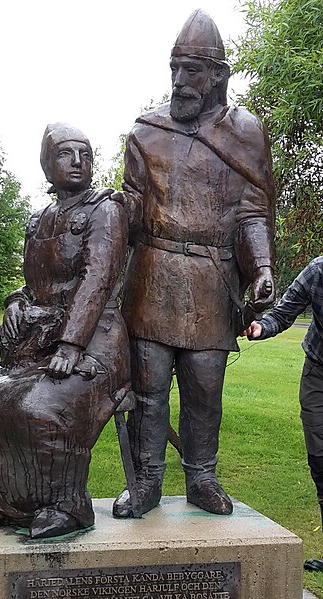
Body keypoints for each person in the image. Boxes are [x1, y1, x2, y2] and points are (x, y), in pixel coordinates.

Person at [112, 9, 276, 519]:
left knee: (205, 388)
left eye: (193, 69)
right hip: (153, 276)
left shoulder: (246, 134)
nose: (181, 80)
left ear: (219, 75)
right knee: (149, 390)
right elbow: (130, 211)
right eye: (175, 68)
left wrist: (263, 268)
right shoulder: (145, 132)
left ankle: (202, 477)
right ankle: (146, 484)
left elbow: (252, 213)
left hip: (210, 281)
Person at [0, 123, 131, 539]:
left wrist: (72, 344)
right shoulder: (40, 218)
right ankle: (1, 500)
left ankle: (67, 507)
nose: (78, 162)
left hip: (96, 342)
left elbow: (97, 281)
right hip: (39, 342)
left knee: (39, 408)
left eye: (85, 154)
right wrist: (15, 303)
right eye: (66, 154)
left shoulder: (106, 210)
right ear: (46, 163)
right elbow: (34, 283)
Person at [244, 256, 323, 572]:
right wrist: (262, 327)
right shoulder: (318, 272)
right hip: (318, 373)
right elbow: (284, 312)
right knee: (320, 461)